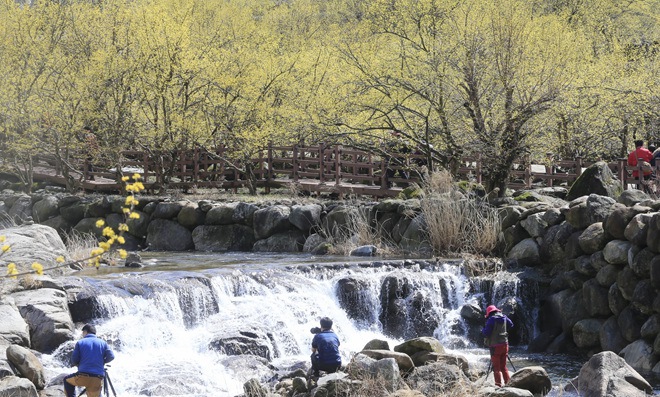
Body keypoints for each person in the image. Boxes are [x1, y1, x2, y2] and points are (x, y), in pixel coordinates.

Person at [64, 324, 115, 397]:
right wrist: (102, 362)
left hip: (83, 376)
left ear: (85, 332)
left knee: (67, 380)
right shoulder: (103, 343)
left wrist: (79, 365)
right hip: (97, 378)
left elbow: (74, 360)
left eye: (83, 333)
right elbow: (111, 356)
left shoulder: (80, 342)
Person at [482, 305, 514, 388]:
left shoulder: (491, 320)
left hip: (495, 347)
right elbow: (511, 325)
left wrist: (482, 330)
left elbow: (486, 333)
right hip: (505, 345)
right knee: (503, 367)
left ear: (489, 313)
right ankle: (508, 384)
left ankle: (498, 386)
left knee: (496, 368)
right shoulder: (504, 317)